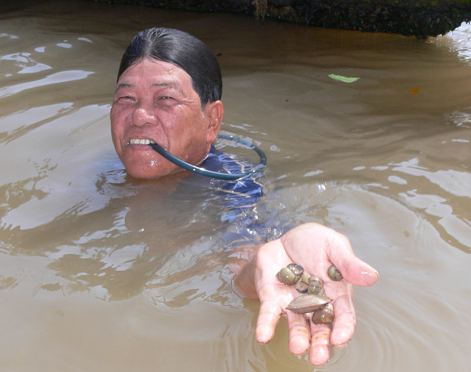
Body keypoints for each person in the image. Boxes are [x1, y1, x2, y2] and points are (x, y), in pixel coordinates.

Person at [110, 27, 379, 366]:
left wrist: (270, 264)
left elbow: (246, 260)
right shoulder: (101, 171)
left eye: (165, 99)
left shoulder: (237, 190)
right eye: (125, 99)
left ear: (212, 121)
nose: (139, 116)